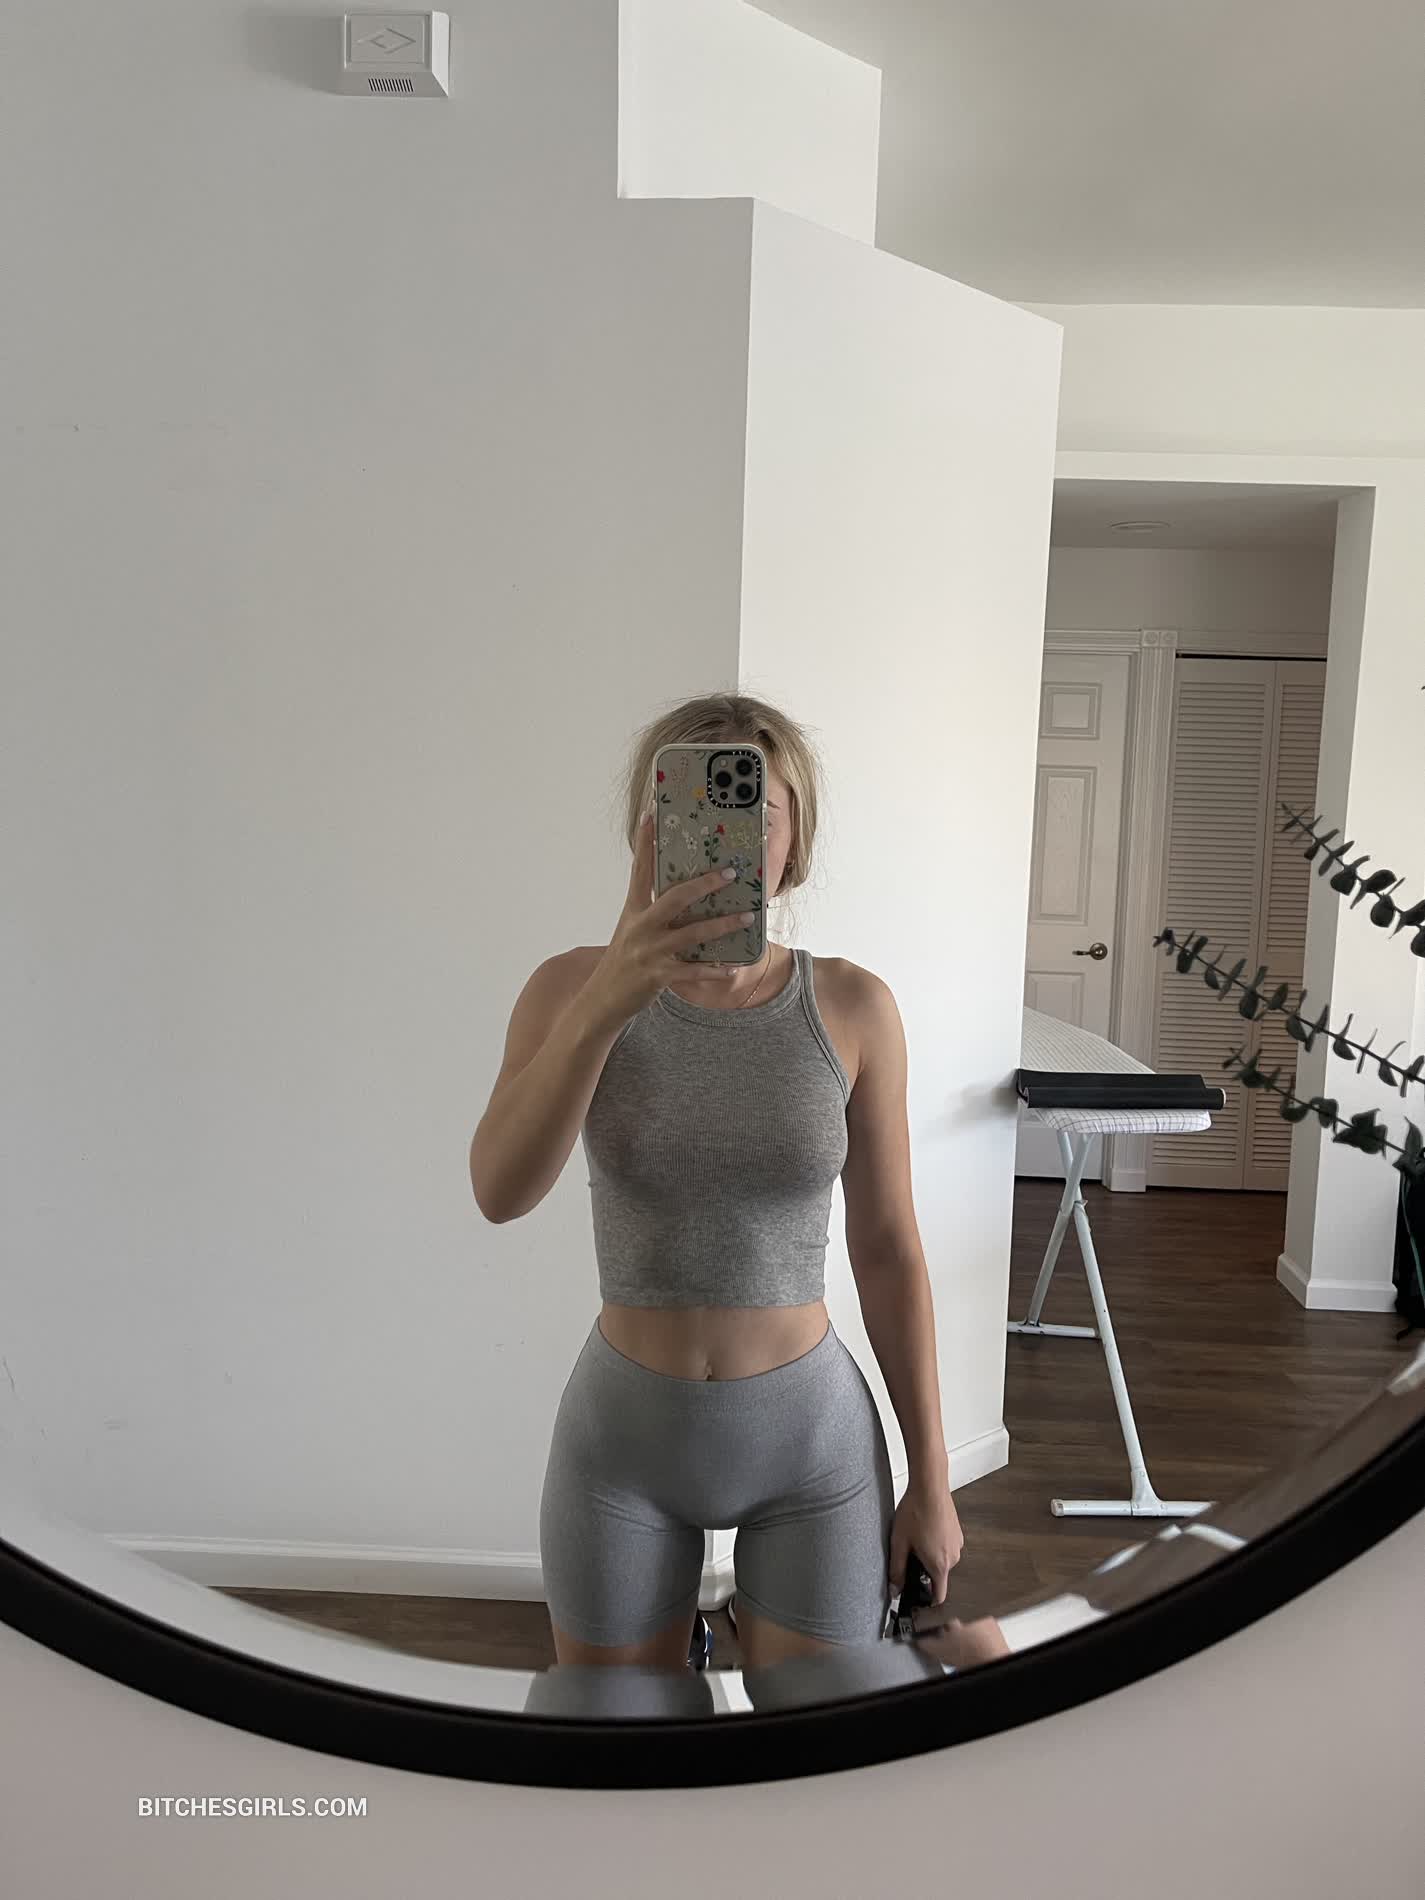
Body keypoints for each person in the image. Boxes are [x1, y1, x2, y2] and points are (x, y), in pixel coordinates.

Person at [470, 693, 963, 1672]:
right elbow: (499, 1190)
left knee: (814, 1740)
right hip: (622, 1443)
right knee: (616, 1734)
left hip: (810, 1443)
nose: (721, 836)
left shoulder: (852, 1006)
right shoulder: (568, 989)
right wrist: (608, 1000)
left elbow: (888, 1249)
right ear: (646, 832)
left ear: (793, 840)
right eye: (685, 807)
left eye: (753, 811)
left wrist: (933, 1480)